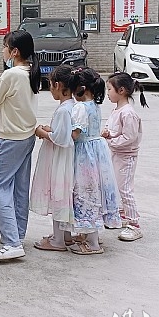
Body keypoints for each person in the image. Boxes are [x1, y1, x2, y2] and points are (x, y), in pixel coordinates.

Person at [0, 30, 40, 262]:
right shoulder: (30, 72)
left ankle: (12, 242)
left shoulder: (11, 74)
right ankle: (16, 234)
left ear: (14, 51)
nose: (3, 51)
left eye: (4, 46)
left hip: (10, 138)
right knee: (19, 188)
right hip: (27, 136)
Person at [67, 67, 122, 255]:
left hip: (85, 155)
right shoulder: (94, 106)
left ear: (81, 88)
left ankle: (92, 243)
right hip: (97, 151)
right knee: (95, 191)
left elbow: (75, 134)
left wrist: (55, 133)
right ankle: (90, 236)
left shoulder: (80, 107)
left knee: (86, 192)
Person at [30, 65, 76, 251]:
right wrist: (52, 130)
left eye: (50, 85)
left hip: (59, 159)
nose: (50, 89)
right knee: (63, 195)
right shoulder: (72, 106)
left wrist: (42, 132)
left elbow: (61, 138)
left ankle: (58, 240)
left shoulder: (64, 110)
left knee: (58, 194)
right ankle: (65, 235)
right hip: (64, 157)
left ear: (57, 85)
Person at [102, 71, 147, 242]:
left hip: (126, 157)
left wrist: (111, 141)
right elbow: (114, 129)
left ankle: (134, 224)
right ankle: (122, 214)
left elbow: (129, 137)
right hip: (116, 154)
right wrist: (108, 133)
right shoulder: (117, 110)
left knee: (125, 189)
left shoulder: (128, 113)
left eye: (109, 89)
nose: (107, 93)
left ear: (121, 90)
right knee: (116, 186)